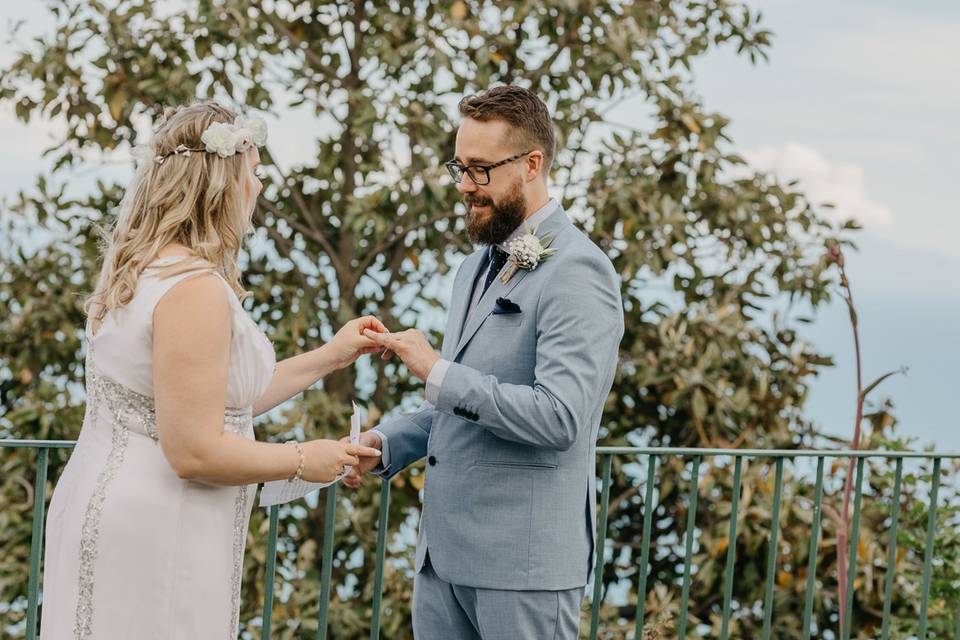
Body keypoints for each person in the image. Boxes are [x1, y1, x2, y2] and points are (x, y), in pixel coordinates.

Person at [39, 101, 382, 639]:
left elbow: (213, 398)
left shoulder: (144, 267)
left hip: (113, 508)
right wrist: (301, 458)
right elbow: (193, 449)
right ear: (223, 184)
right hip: (162, 527)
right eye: (256, 174)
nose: (261, 188)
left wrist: (331, 356)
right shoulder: (193, 290)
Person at [346, 85, 624, 639]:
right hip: (442, 564)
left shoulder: (578, 272)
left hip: (521, 570)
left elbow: (560, 418)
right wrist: (385, 443)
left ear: (532, 163)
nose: (464, 187)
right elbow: (463, 405)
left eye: (479, 170)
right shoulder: (473, 269)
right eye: (458, 166)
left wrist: (435, 371)